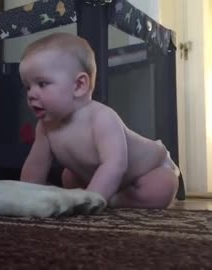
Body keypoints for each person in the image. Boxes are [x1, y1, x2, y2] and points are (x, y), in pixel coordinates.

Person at [19, 32, 180, 209]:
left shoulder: (102, 118)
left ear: (79, 85)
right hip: (94, 176)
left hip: (147, 170)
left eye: (42, 84)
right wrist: (25, 197)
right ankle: (103, 196)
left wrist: (90, 200)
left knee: (161, 187)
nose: (31, 94)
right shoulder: (45, 127)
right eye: (28, 87)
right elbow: (36, 166)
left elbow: (115, 165)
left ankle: (109, 199)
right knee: (68, 177)